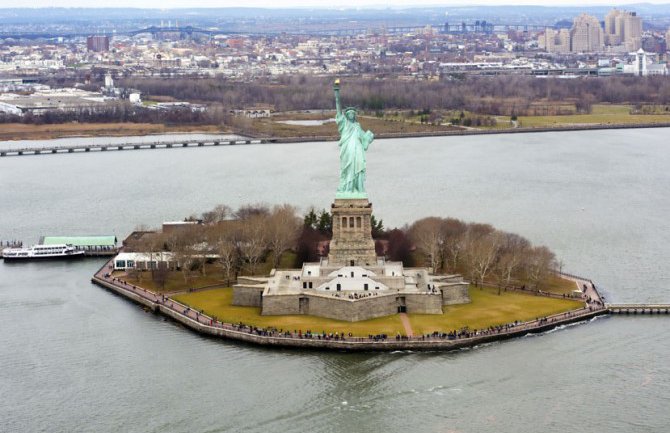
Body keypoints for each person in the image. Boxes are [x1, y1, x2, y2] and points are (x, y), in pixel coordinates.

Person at [333, 79, 374, 196]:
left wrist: (370, 136)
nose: (351, 115)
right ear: (347, 115)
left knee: (358, 167)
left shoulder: (357, 126)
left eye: (353, 113)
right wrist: (336, 94)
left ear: (355, 115)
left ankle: (357, 188)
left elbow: (364, 137)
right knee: (347, 168)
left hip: (357, 150)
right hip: (347, 150)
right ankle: (347, 189)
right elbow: (338, 108)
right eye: (349, 113)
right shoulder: (344, 124)